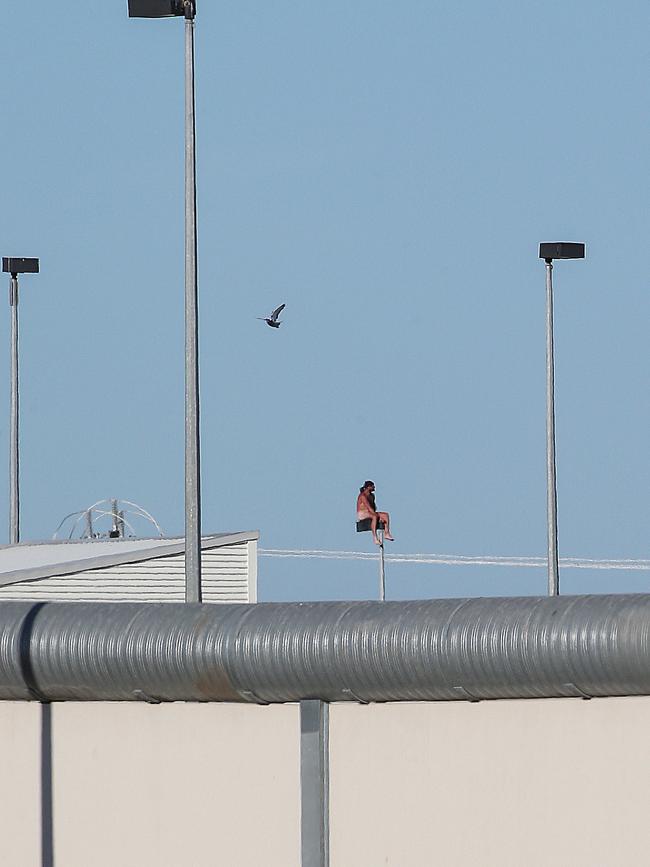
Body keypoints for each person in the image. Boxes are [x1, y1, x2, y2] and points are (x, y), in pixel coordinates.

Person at [356, 480, 394, 545]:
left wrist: (380, 516)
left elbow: (373, 508)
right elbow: (369, 508)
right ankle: (375, 537)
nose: (374, 487)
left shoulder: (372, 496)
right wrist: (378, 517)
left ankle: (386, 533)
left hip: (370, 512)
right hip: (362, 514)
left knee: (385, 515)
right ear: (368, 487)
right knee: (374, 516)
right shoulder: (363, 496)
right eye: (372, 486)